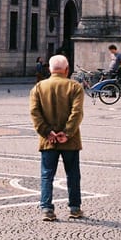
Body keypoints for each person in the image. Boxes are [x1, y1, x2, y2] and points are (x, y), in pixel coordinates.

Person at [29, 54, 85, 221]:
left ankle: (47, 208)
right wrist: (66, 133)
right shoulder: (75, 87)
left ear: (49, 69)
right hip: (71, 140)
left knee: (47, 175)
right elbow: (77, 113)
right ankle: (74, 208)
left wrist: (47, 132)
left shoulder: (39, 88)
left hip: (48, 141)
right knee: (73, 174)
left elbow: (35, 113)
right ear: (66, 70)